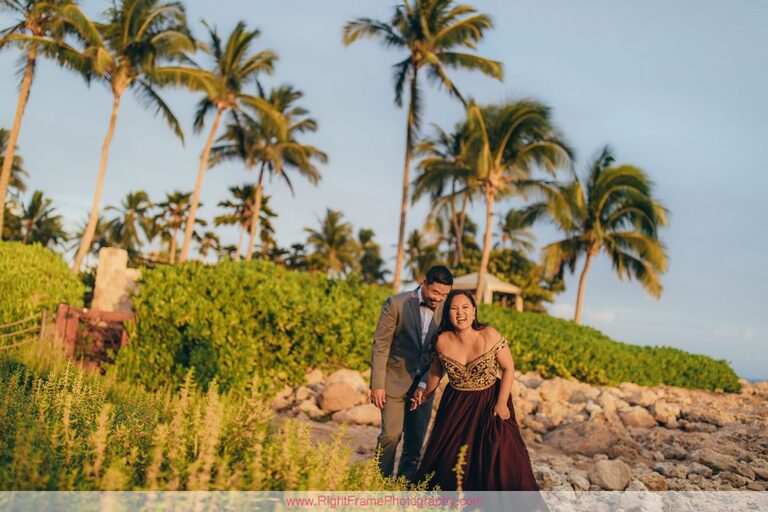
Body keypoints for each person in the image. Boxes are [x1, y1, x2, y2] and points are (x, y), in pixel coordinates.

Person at [410, 289, 540, 491]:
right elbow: (436, 372)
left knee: (499, 452)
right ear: (448, 314)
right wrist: (424, 393)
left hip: (490, 400)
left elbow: (508, 368)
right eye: (454, 309)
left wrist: (501, 402)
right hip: (456, 404)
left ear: (474, 311)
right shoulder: (442, 340)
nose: (460, 313)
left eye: (465, 308)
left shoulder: (489, 334)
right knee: (449, 457)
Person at [369, 265, 453, 480]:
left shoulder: (447, 311)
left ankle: (403, 489)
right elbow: (381, 345)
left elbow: (443, 354)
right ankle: (381, 485)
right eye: (435, 292)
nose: (438, 299)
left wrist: (425, 384)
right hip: (393, 382)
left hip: (425, 386)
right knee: (391, 435)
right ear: (424, 282)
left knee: (415, 443)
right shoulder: (396, 303)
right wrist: (377, 384)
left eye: (444, 295)